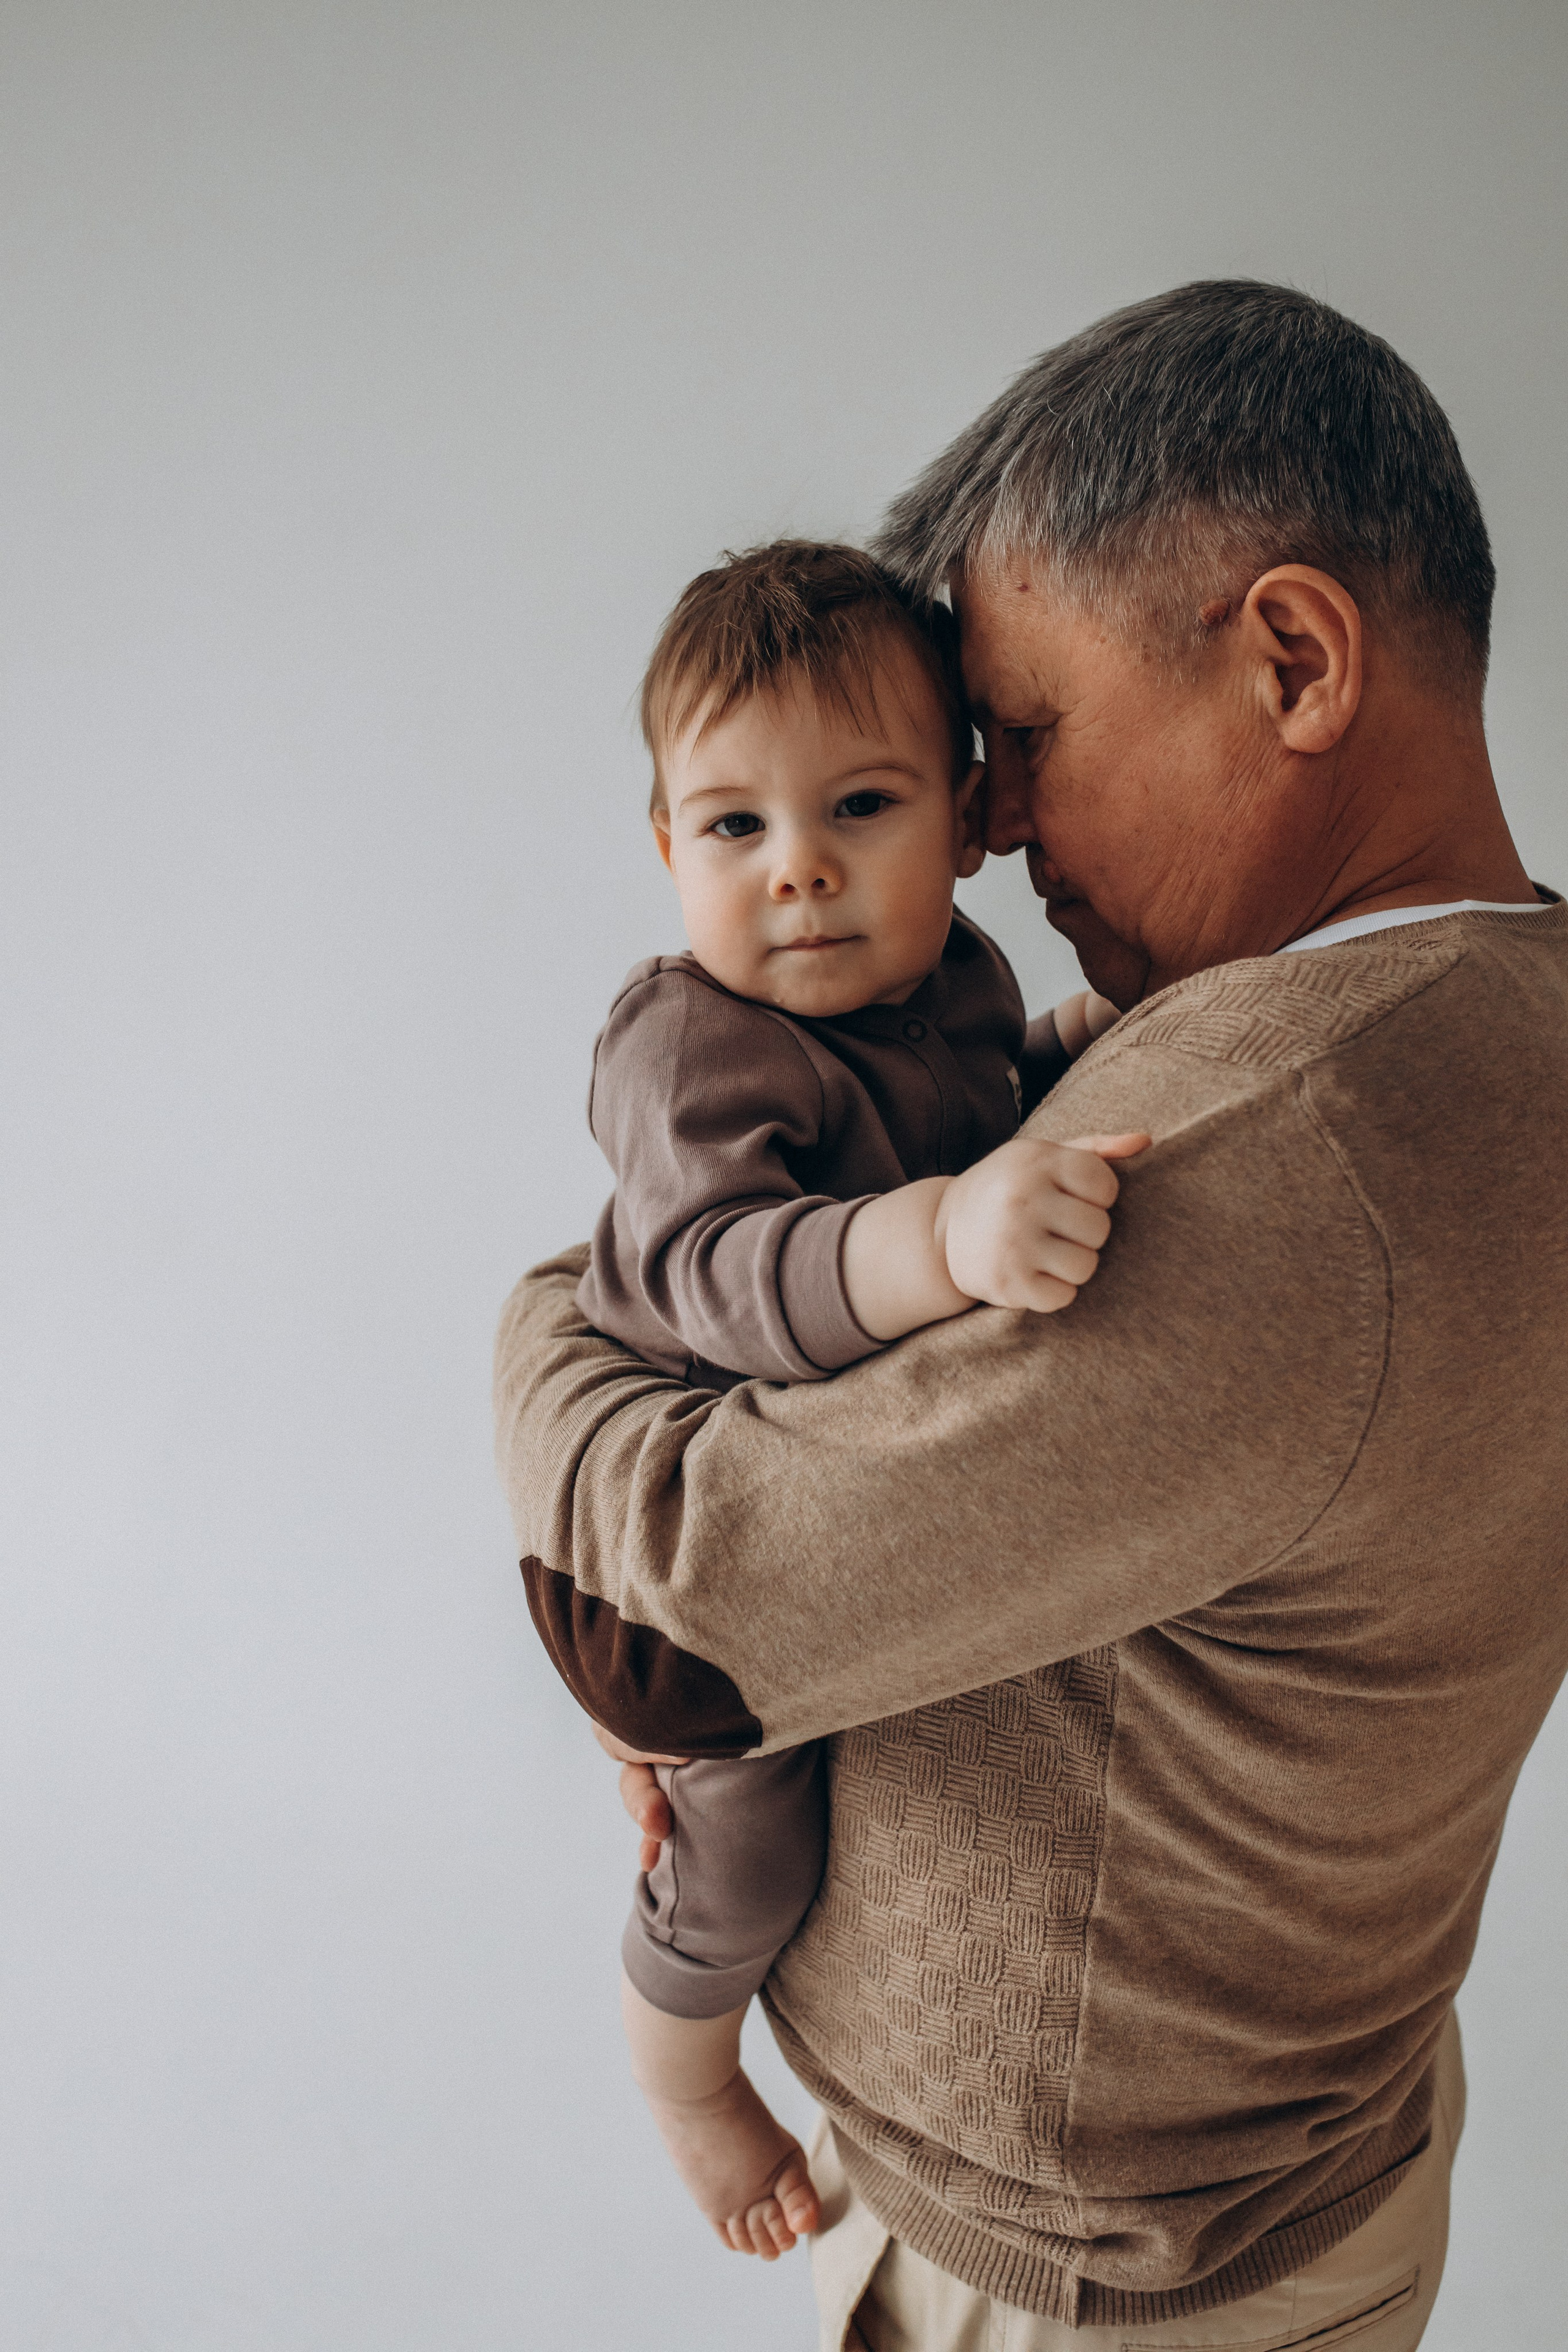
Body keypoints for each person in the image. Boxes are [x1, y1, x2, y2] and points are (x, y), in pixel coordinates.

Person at [496, 281, 1568, 2349]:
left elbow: (684, 1616)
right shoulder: (1507, 1013)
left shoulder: (1263, 1150)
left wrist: (548, 1317)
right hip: (1315, 2160)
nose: (994, 823)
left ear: (1295, 658)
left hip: (1087, 2284)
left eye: (1035, 736)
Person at [574, 537, 1137, 2259]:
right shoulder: (693, 1049)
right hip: (673, 1580)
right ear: (671, 847)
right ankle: (682, 2069)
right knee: (750, 1858)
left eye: (862, 809)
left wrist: (1084, 1041)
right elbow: (732, 1276)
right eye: (736, 828)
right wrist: (942, 1239)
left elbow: (980, 1096)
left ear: (966, 824)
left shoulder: (945, 979)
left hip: (823, 1528)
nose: (799, 874)